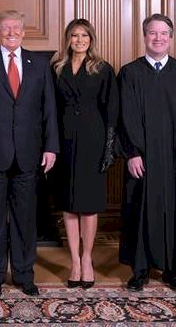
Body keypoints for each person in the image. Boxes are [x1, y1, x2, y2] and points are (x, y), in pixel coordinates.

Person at [0, 10, 59, 299]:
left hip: (29, 155)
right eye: (5, 28)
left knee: (25, 220)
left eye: (16, 28)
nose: (11, 32)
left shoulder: (39, 64)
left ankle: (24, 275)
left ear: (24, 32)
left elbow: (49, 110)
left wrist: (51, 146)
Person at [118, 13, 176, 292]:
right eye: (153, 33)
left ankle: (172, 270)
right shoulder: (130, 72)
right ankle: (139, 269)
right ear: (144, 36)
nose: (158, 38)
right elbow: (125, 116)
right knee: (139, 210)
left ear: (170, 37)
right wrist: (132, 153)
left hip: (175, 156)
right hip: (142, 156)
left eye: (163, 33)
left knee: (174, 211)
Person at [50, 18, 118, 289]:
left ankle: (87, 258)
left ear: (91, 39)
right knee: (68, 203)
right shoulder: (56, 68)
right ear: (68, 39)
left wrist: (109, 147)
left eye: (84, 36)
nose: (79, 40)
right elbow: (51, 109)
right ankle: (74, 261)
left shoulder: (102, 69)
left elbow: (112, 110)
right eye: (74, 35)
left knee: (88, 205)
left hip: (93, 139)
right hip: (65, 140)